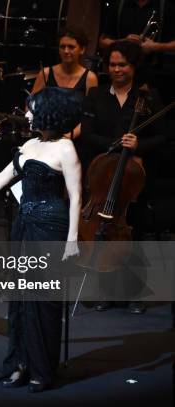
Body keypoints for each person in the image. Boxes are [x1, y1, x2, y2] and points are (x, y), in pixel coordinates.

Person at [0, 87, 83, 392]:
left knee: (43, 302)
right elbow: (0, 179)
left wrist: (72, 239)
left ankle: (42, 370)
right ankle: (20, 364)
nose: (26, 114)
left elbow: (77, 195)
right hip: (24, 225)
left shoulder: (66, 148)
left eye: (31, 108)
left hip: (50, 228)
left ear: (48, 112)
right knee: (20, 300)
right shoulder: (29, 144)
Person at [79, 40, 169, 314]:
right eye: (113, 65)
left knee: (134, 231)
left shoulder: (148, 98)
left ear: (133, 67)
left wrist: (138, 145)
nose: (116, 69)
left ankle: (134, 293)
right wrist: (116, 143)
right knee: (103, 234)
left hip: (133, 180)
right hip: (102, 176)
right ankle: (106, 291)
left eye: (123, 65)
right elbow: (87, 132)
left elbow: (164, 136)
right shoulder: (96, 95)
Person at [98, 0, 175, 100]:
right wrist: (123, 42)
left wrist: (155, 46)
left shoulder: (165, 6)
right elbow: (102, 42)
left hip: (152, 77)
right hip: (120, 74)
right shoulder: (119, 5)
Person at [31, 26, 98, 139]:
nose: (66, 51)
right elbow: (31, 106)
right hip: (45, 135)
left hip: (75, 138)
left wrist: (67, 137)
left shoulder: (90, 78)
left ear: (82, 49)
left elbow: (90, 116)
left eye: (71, 47)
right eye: (62, 47)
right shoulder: (46, 73)